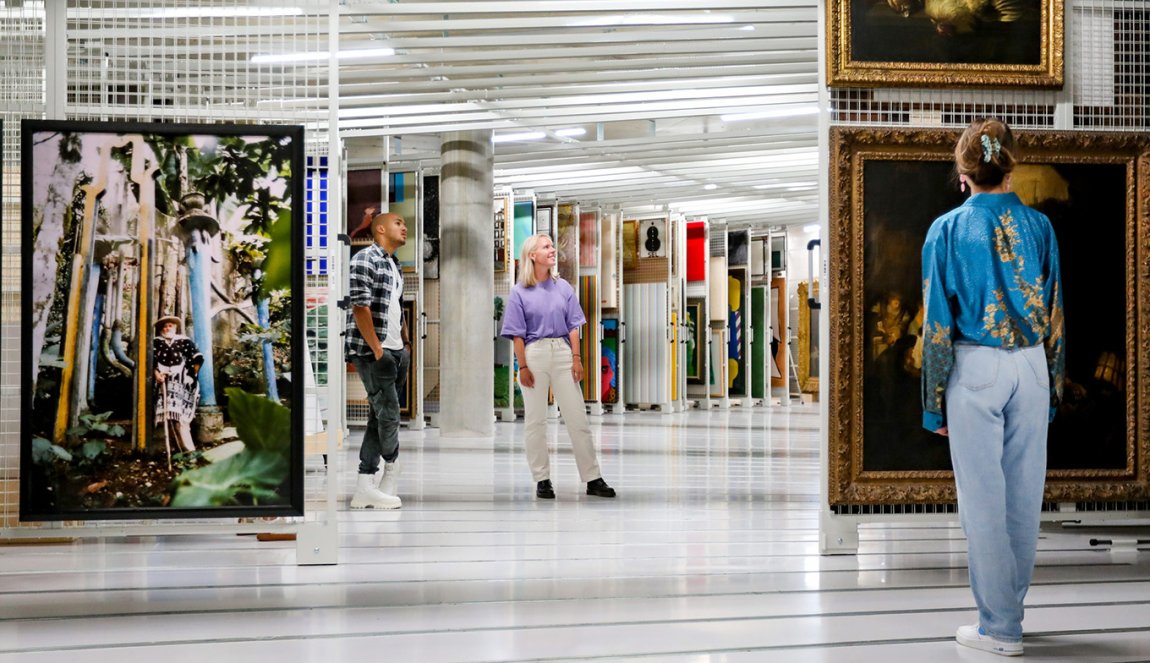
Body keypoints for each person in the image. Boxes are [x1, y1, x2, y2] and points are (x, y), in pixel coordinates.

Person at [921, 118, 1064, 657]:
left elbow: (936, 320)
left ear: (964, 172)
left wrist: (935, 404)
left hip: (975, 365)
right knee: (1024, 497)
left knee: (982, 499)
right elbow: (1055, 315)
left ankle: (999, 627)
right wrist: (1051, 387)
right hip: (1030, 364)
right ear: (1011, 167)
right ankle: (1011, 612)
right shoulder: (1041, 229)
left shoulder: (947, 230)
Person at [501, 233, 616, 500]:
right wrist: (523, 366)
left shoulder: (563, 287)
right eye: (546, 247)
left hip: (563, 353)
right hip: (534, 353)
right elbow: (517, 334)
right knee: (535, 421)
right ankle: (542, 479)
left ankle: (593, 478)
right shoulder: (519, 292)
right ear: (532, 255)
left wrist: (577, 358)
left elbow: (574, 325)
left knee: (578, 418)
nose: (553, 250)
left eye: (552, 246)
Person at [346, 212, 411, 510]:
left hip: (396, 350)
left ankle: (366, 485)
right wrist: (377, 350)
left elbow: (395, 306)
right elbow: (360, 307)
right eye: (398, 222)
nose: (404, 226)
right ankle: (391, 471)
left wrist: (405, 344)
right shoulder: (364, 259)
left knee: (379, 415)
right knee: (389, 415)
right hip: (375, 351)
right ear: (381, 228)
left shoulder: (394, 264)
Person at [153, 315, 204, 453]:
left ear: (175, 327)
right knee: (170, 416)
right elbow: (151, 362)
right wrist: (157, 374)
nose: (167, 328)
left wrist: (192, 375)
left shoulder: (185, 341)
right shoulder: (156, 342)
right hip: (165, 383)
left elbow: (198, 358)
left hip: (184, 383)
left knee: (182, 418)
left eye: (170, 325)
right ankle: (182, 450)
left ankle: (188, 449)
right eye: (164, 326)